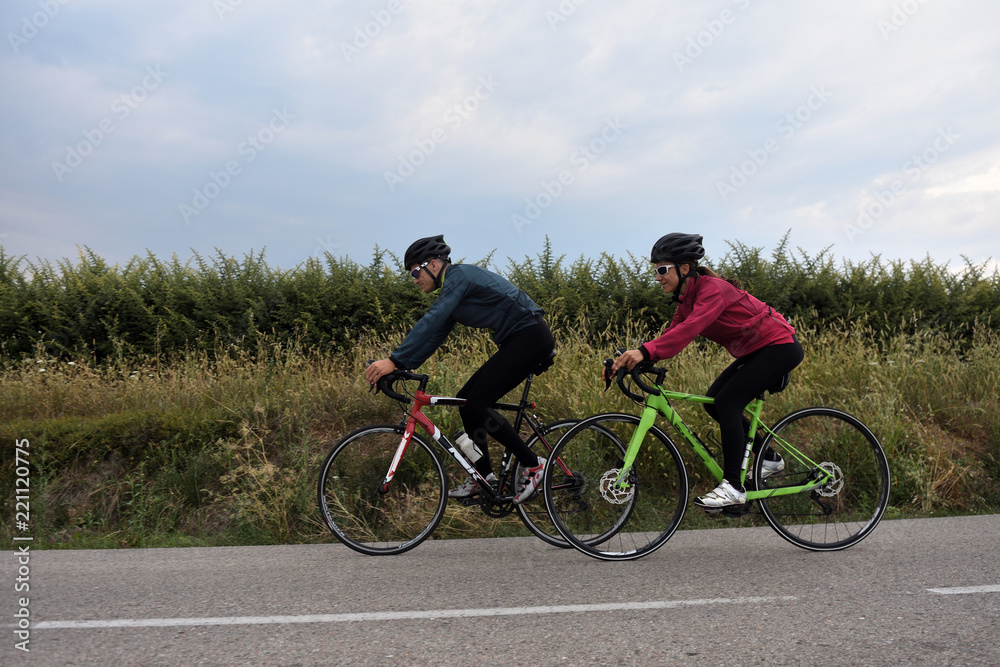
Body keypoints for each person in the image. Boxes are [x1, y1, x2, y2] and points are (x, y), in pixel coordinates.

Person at [609, 233, 804, 510]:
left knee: (728, 402)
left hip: (779, 347)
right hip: (758, 351)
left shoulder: (712, 289)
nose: (657, 277)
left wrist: (643, 351)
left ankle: (733, 487)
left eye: (662, 270)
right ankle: (769, 458)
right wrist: (639, 358)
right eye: (655, 270)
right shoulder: (686, 299)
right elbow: (674, 333)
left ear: (684, 268)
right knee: (716, 403)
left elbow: (689, 329)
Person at [364, 235, 555, 505]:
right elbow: (433, 337)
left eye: (416, 272)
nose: (415, 279)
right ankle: (484, 477)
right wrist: (401, 366)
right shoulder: (453, 293)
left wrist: (394, 360)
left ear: (432, 264)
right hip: (519, 339)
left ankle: (535, 465)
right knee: (467, 403)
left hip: (530, 336)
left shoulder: (458, 276)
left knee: (478, 403)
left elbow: (432, 318)